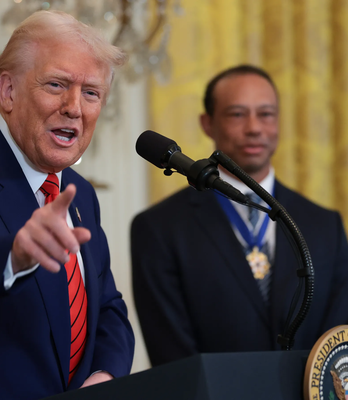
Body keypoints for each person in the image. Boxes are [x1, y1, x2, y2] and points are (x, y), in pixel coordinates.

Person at [0, 10, 134, 399]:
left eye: (91, 92)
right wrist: (12, 257)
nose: (74, 108)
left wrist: (106, 374)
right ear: (8, 91)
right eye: (56, 84)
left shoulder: (79, 193)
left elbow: (107, 307)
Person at [131, 64, 348, 367]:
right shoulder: (159, 228)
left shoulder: (325, 225)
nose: (254, 128)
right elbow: (173, 356)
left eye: (266, 114)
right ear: (207, 124)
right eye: (237, 114)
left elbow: (337, 342)